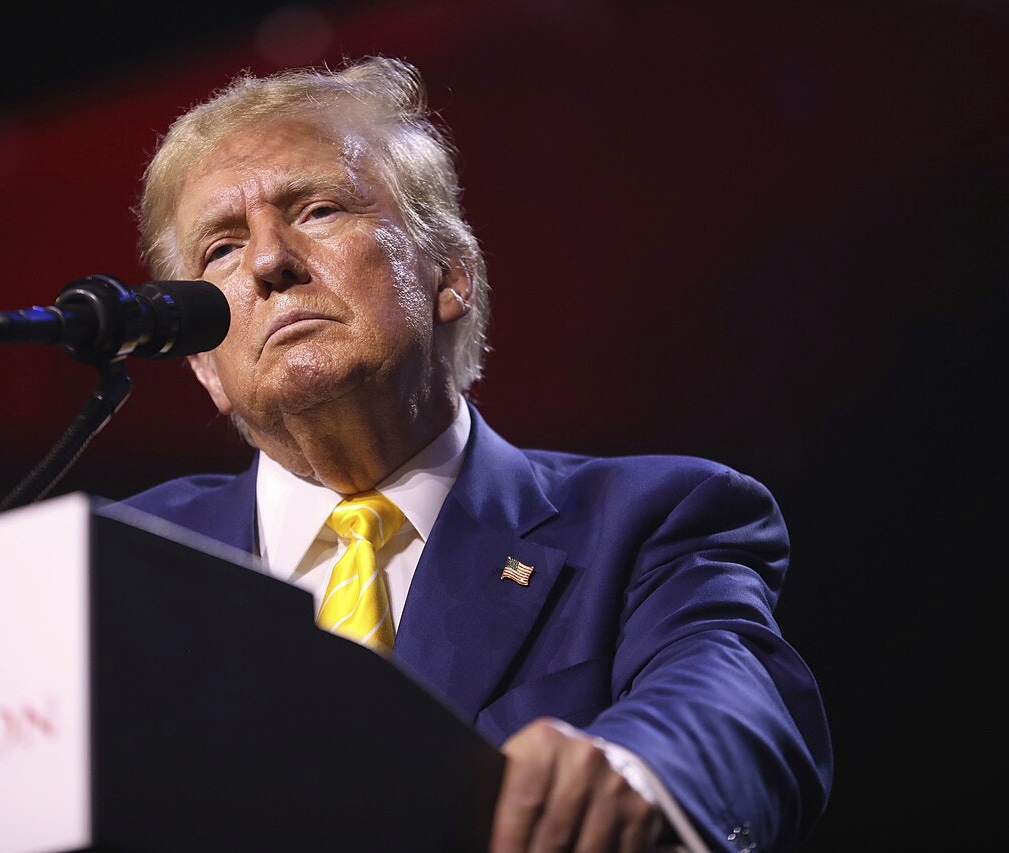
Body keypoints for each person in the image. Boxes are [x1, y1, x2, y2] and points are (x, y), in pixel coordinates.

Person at [120, 55, 832, 852]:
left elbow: (734, 697)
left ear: (448, 273)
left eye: (318, 210)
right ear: (205, 367)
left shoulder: (646, 523)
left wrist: (633, 768)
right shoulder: (118, 564)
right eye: (219, 249)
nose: (265, 261)